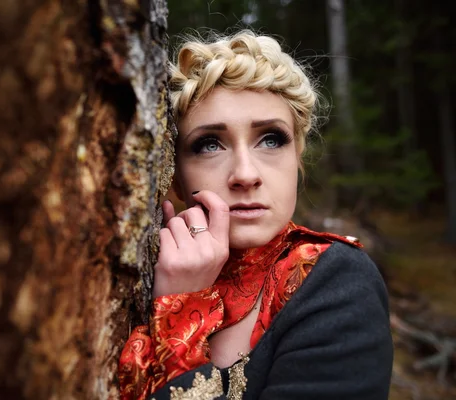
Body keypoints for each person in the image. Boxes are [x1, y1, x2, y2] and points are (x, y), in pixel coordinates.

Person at [118, 30, 393, 400]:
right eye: (209, 144)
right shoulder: (129, 275)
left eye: (271, 139)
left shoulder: (337, 281)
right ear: (174, 176)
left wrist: (181, 310)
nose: (246, 175)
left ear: (297, 156)